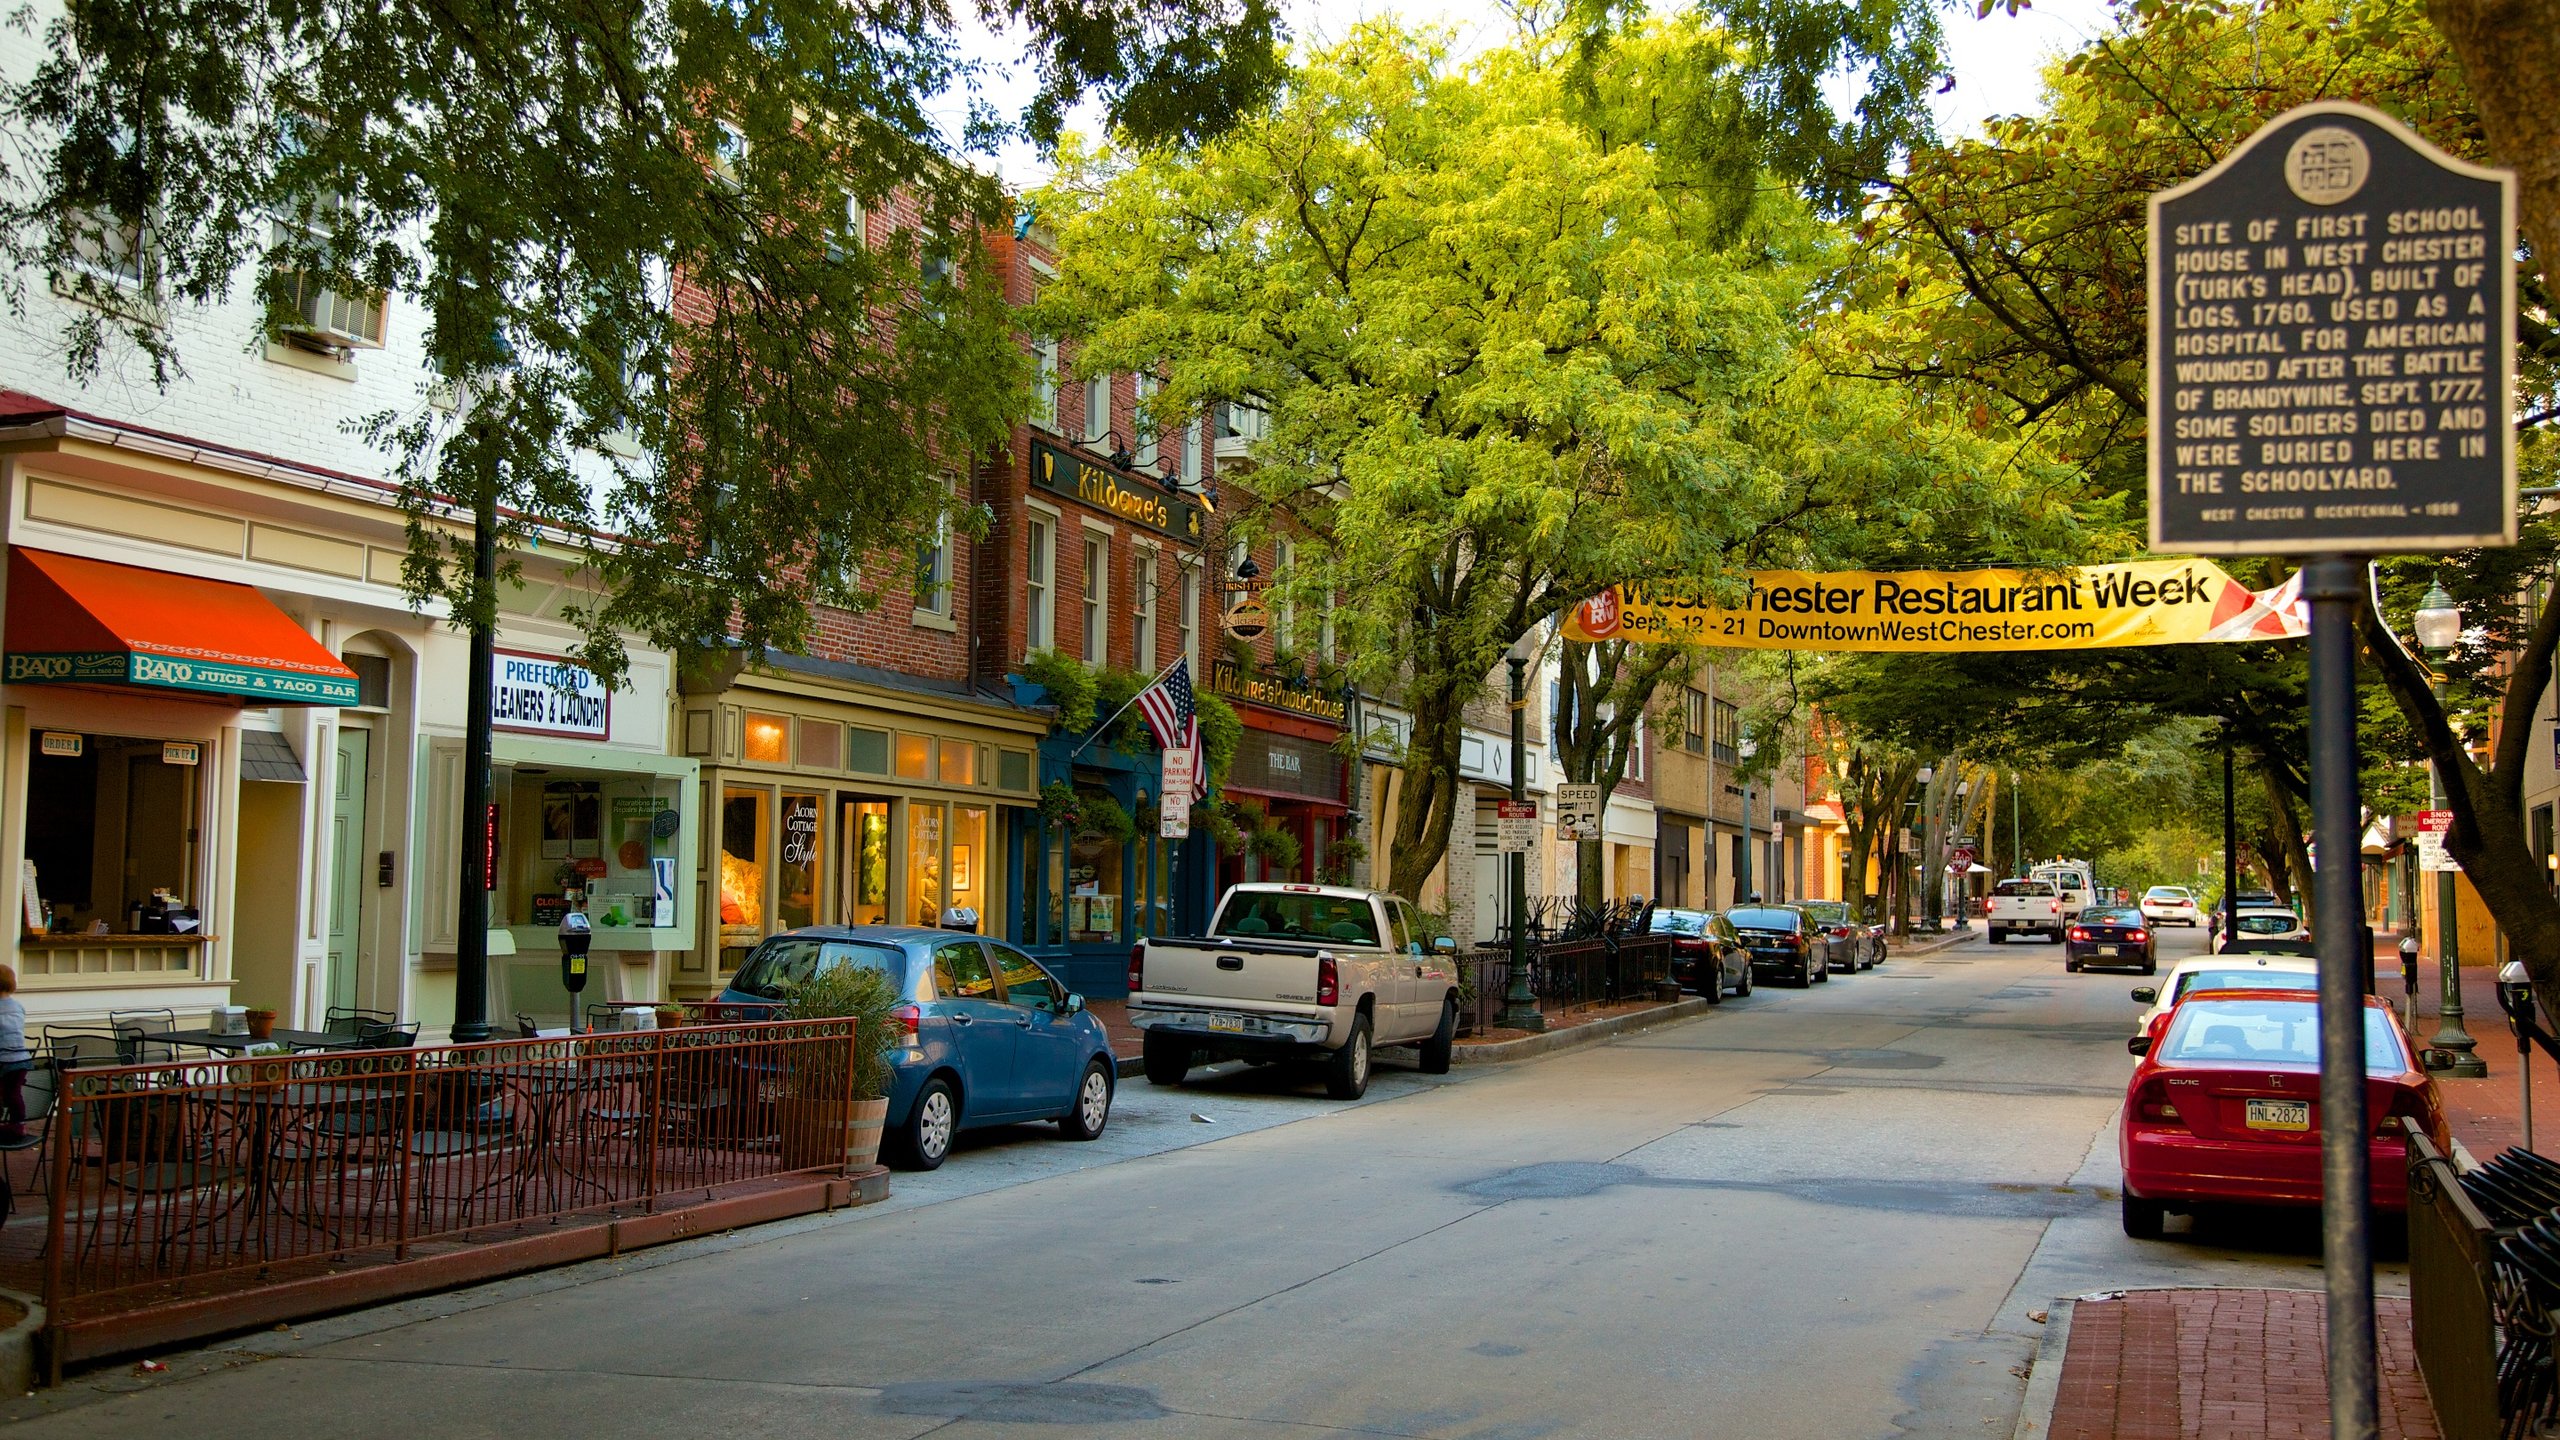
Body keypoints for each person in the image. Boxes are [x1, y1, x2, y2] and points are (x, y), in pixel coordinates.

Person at [0, 964, 29, 1144]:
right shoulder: (18, 1006)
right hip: (21, 1059)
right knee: (14, 1093)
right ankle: (18, 1123)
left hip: (3, 1059)